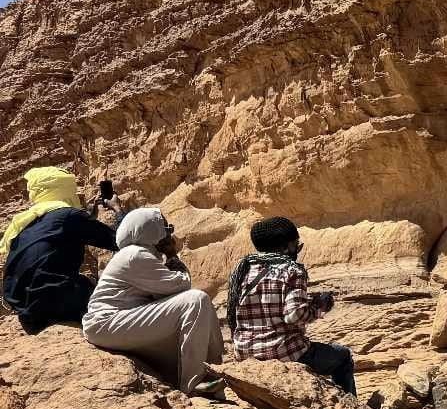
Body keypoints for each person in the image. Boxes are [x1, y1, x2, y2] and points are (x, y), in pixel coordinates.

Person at [83, 208, 225, 396]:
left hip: (117, 322)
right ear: (150, 230)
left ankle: (211, 374)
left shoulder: (137, 254)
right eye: (164, 228)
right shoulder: (135, 255)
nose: (168, 233)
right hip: (108, 323)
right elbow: (180, 285)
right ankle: (195, 383)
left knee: (201, 311)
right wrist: (173, 255)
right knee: (196, 300)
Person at [228, 217, 356, 394]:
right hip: (284, 353)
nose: (298, 249)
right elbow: (294, 316)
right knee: (343, 356)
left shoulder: (242, 270)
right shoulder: (292, 270)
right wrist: (320, 307)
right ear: (286, 246)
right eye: (296, 244)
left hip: (245, 352)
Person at [2, 168, 119, 334]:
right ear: (64, 191)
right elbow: (119, 240)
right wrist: (117, 209)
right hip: (58, 303)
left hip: (26, 315)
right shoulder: (70, 216)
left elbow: (58, 230)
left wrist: (88, 214)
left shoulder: (25, 223)